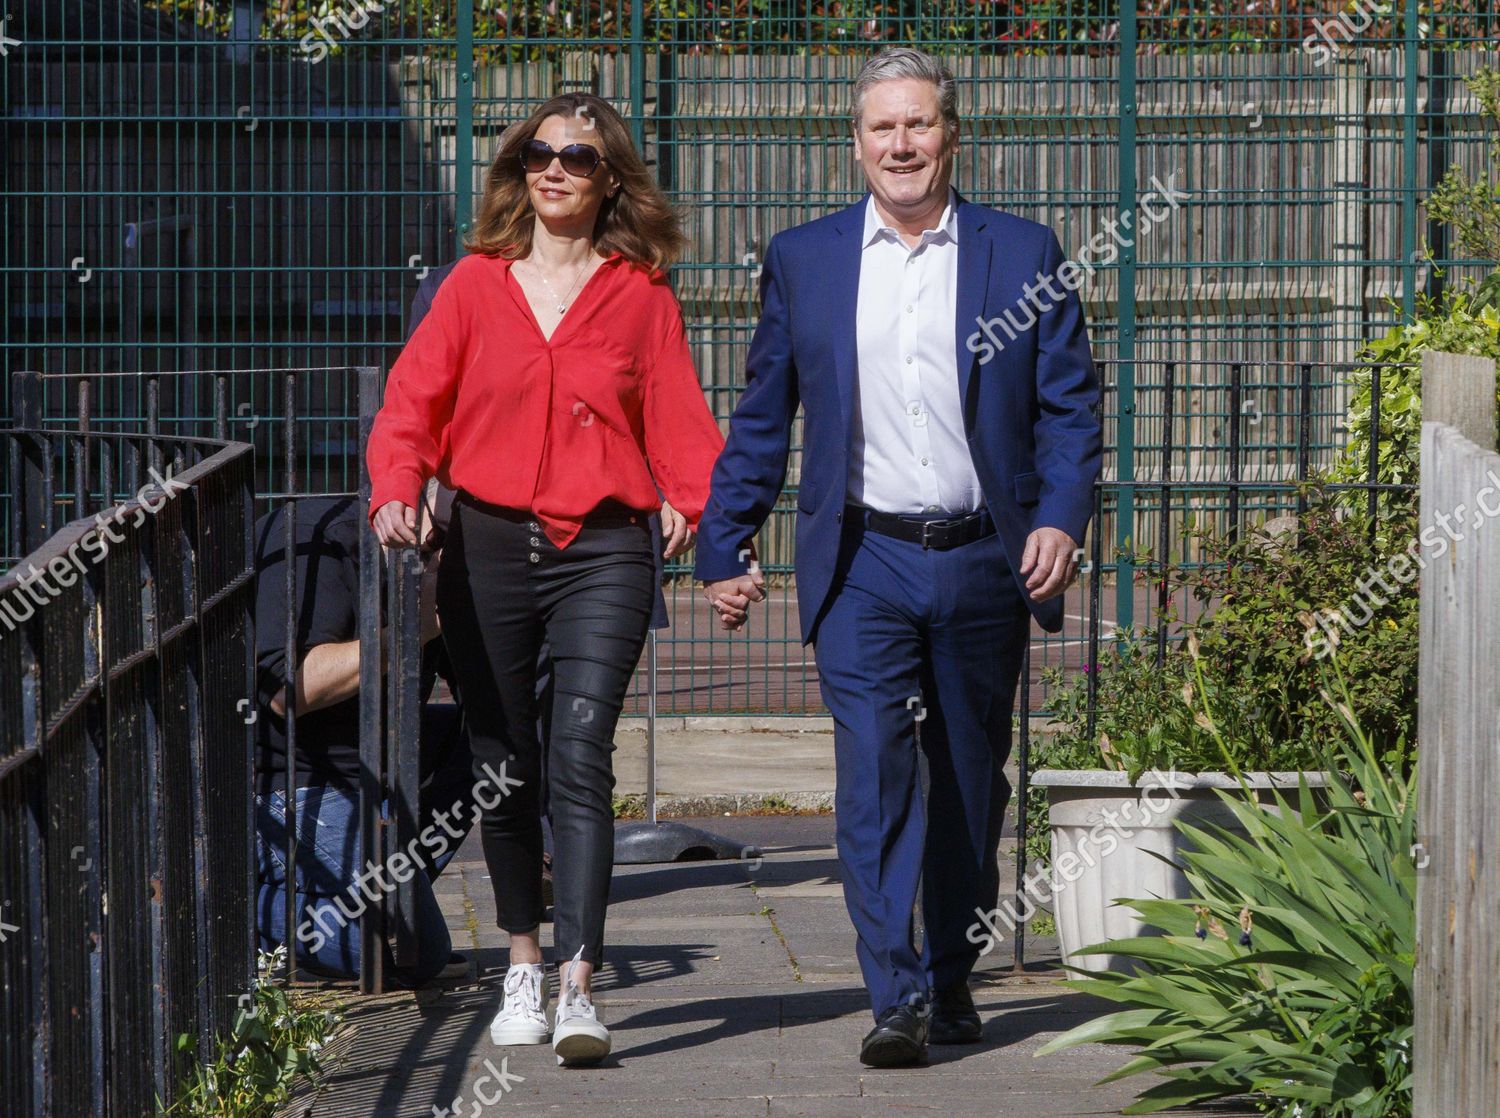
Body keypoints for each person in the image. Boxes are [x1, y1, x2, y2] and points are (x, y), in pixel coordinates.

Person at [695, 47, 1102, 1067]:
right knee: (875, 770)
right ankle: (897, 995)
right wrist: (721, 537)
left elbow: (1070, 406)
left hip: (980, 560)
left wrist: (1060, 515)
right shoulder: (807, 259)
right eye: (883, 127)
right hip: (862, 559)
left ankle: (953, 976)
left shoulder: (1023, 250)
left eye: (919, 124)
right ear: (857, 141)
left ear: (950, 133)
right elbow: (763, 414)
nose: (902, 144)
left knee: (970, 779)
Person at [367, 92, 724, 1067]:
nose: (555, 168)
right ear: (518, 169)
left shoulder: (641, 292)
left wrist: (699, 509)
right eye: (538, 153)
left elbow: (681, 419)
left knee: (579, 749)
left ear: (611, 177)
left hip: (606, 545)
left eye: (577, 154)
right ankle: (520, 959)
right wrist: (397, 488)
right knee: (503, 762)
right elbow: (411, 404)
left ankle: (577, 981)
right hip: (486, 548)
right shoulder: (473, 288)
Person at [253, 481, 476, 987]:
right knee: (416, 953)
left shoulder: (444, 554)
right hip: (289, 785)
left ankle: (373, 904)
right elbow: (291, 688)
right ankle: (230, 908)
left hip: (372, 781)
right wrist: (415, 625)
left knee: (495, 745)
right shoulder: (315, 536)